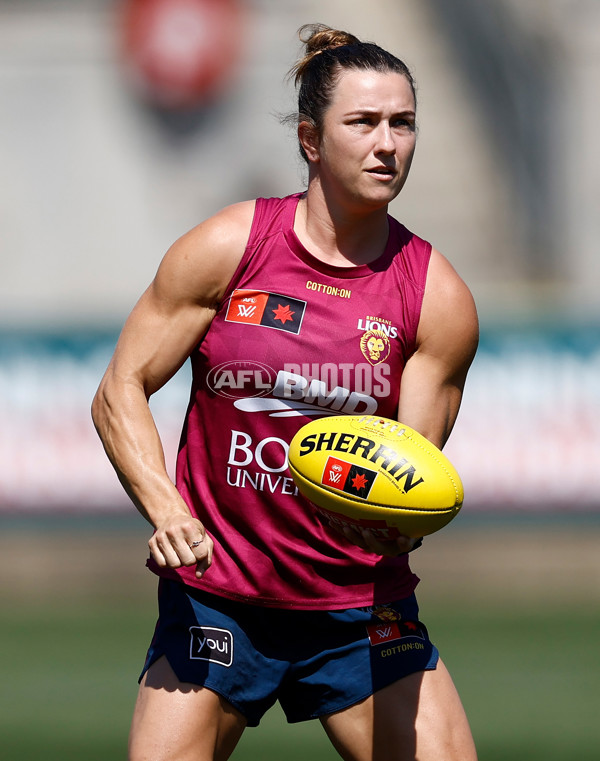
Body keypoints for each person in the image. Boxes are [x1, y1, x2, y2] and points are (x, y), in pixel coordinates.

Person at [92, 23, 479, 761]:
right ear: (310, 138)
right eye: (363, 122)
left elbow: (409, 467)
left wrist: (394, 525)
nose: (388, 142)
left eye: (403, 123)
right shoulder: (230, 248)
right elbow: (120, 390)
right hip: (218, 596)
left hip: (360, 609)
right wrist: (168, 511)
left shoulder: (436, 297)